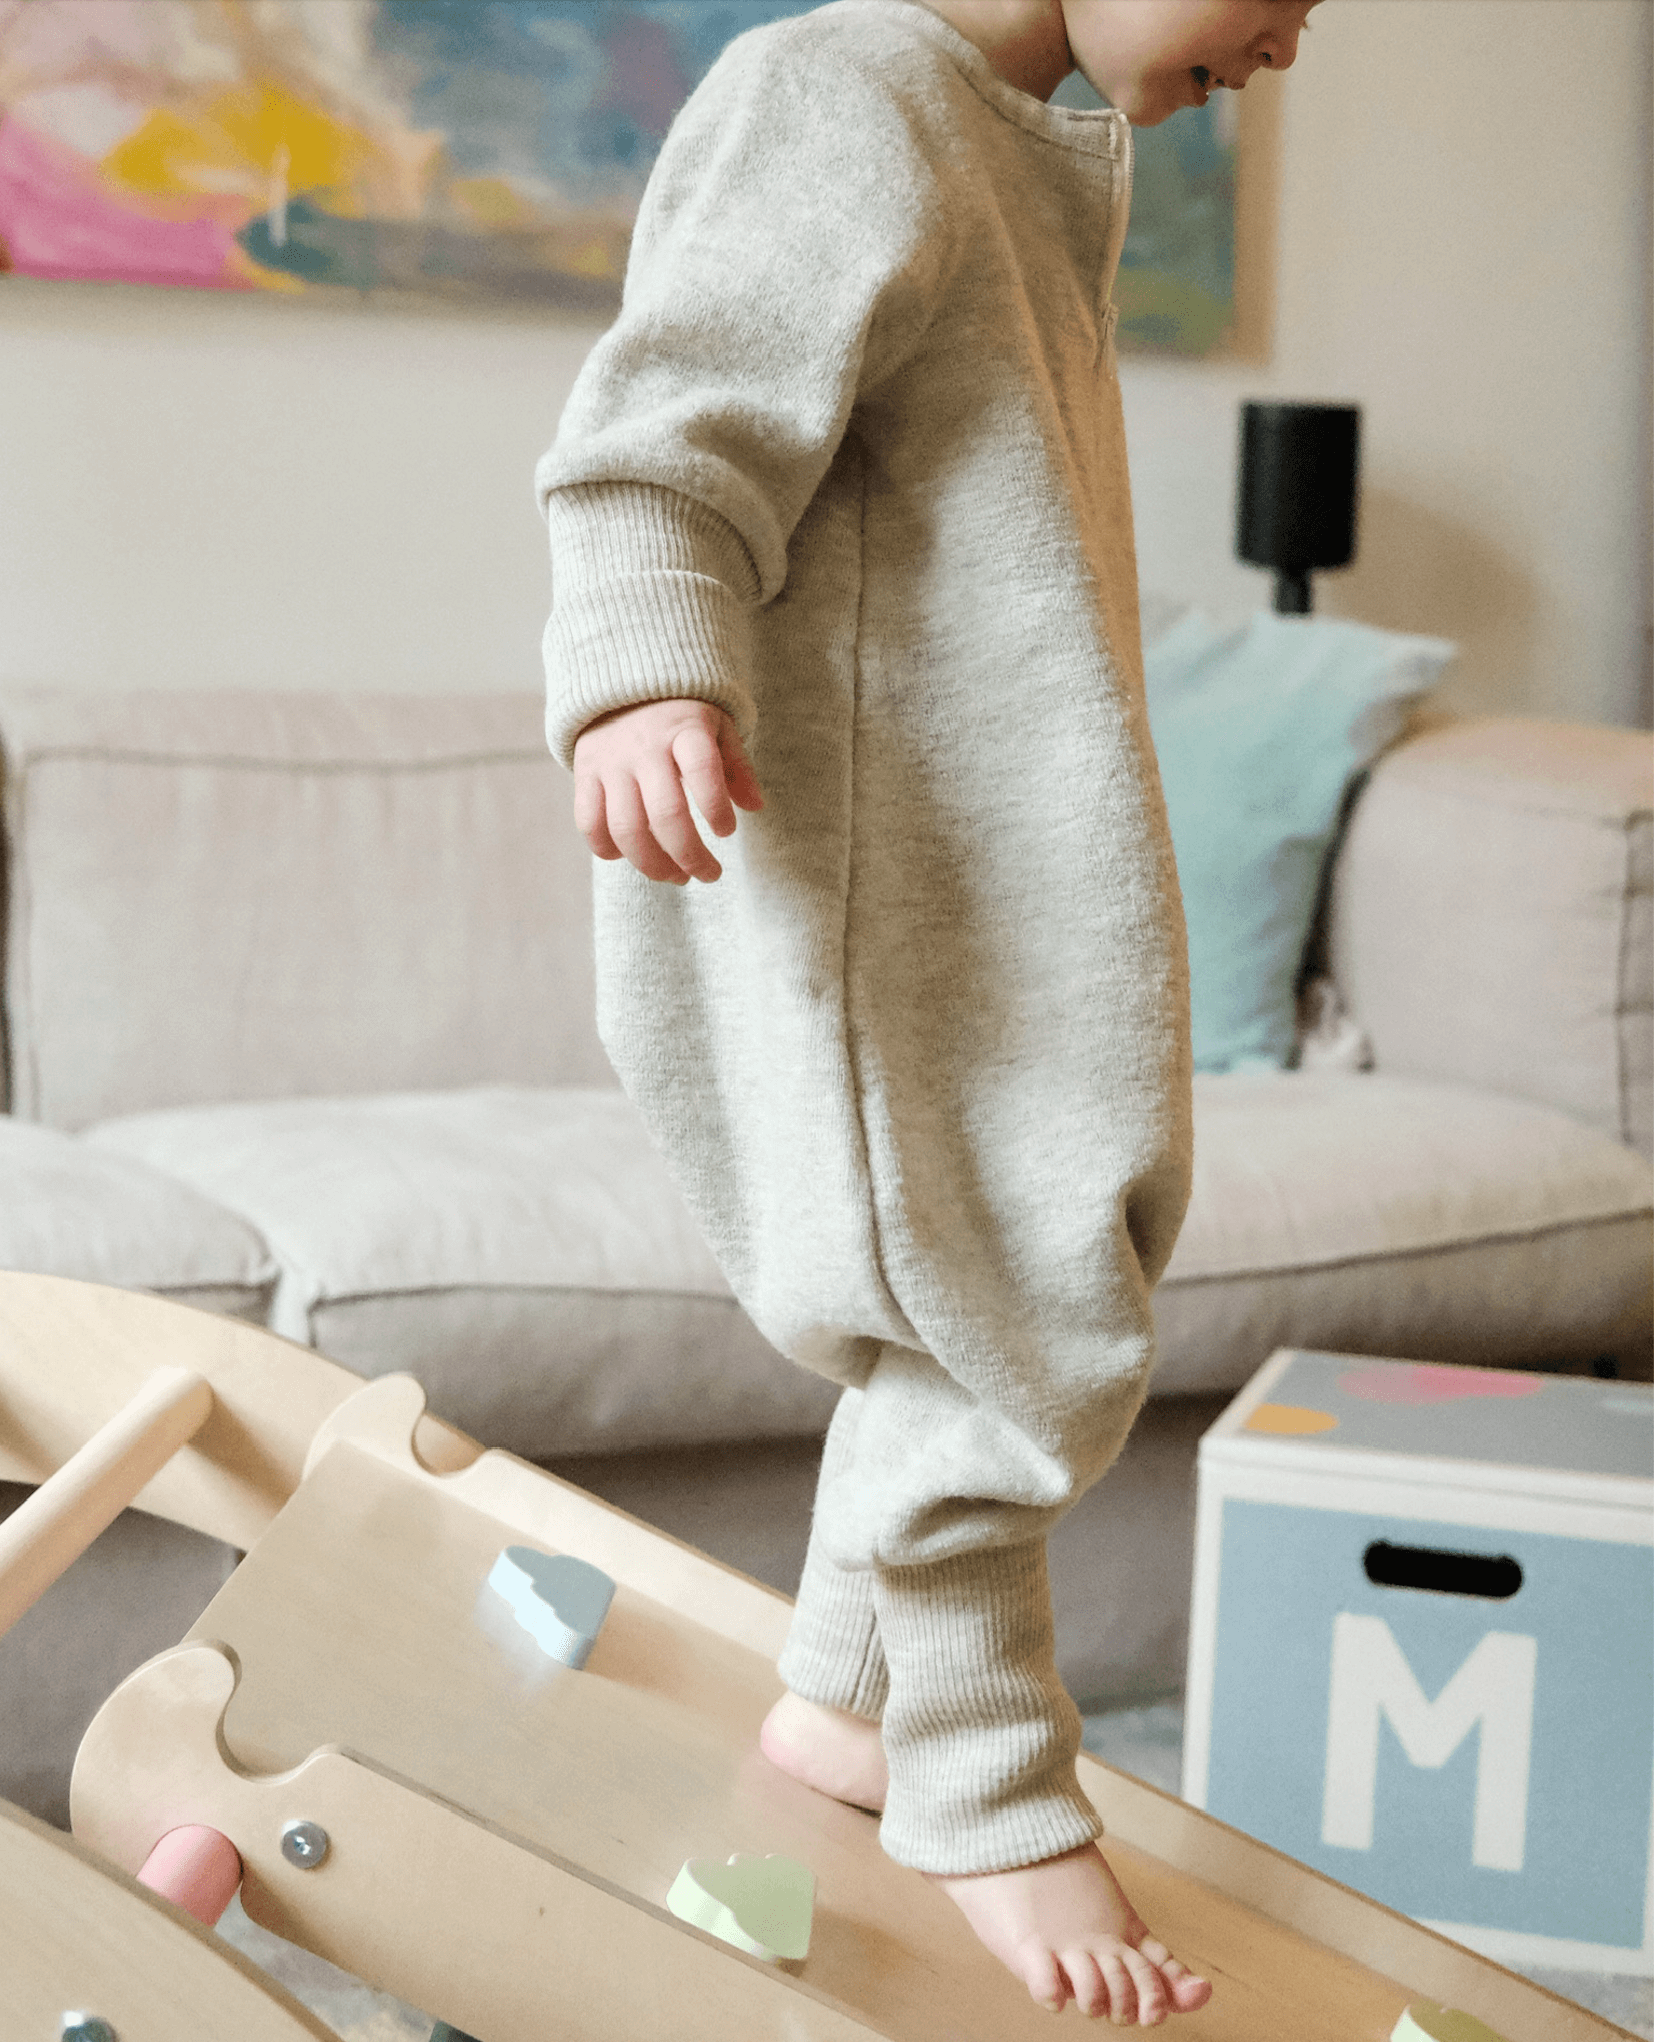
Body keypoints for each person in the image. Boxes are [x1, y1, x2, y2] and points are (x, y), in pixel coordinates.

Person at [536, 0, 1315, 2019]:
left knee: (1026, 1245)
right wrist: (641, 670)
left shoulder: (1007, 135)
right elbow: (665, 420)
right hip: (868, 856)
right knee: (1004, 1295)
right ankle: (985, 1789)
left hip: (993, 843)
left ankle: (851, 1705)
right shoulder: (836, 97)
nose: (1289, 44)